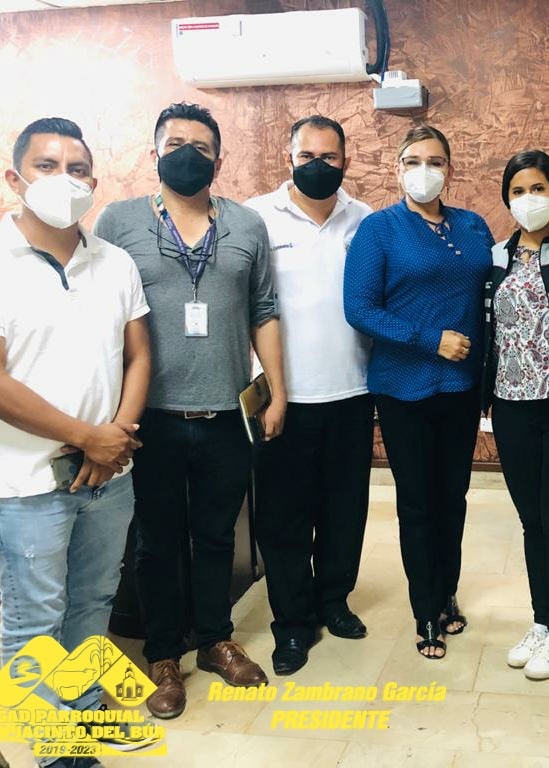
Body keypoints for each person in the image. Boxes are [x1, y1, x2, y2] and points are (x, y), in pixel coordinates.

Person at [0, 117, 151, 768]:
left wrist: (114, 439)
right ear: (16, 178)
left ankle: (84, 712)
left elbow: (139, 355)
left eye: (78, 169)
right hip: (25, 485)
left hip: (108, 478)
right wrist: (87, 437)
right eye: (47, 166)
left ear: (93, 182)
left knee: (92, 604)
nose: (65, 179)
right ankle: (56, 752)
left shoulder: (114, 261)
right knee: (34, 623)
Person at [95, 102, 286, 720]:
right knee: (156, 543)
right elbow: (99, 316)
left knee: (215, 536)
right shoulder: (118, 221)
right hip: (148, 418)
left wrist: (277, 392)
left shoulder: (247, 225)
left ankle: (214, 639)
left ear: (218, 161)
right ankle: (163, 654)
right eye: (175, 143)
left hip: (226, 414)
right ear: (154, 154)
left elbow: (264, 310)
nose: (187, 155)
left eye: (200, 147)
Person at [344, 124, 493, 660]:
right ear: (398, 168)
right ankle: (425, 611)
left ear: (450, 169)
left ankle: (447, 593)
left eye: (435, 161)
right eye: (413, 161)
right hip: (404, 388)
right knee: (418, 503)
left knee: (453, 497)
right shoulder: (379, 229)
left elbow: (490, 296)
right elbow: (359, 309)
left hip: (462, 388)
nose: (424, 170)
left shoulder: (473, 226)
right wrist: (430, 339)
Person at [244, 115, 373, 676]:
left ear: (346, 160)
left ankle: (334, 602)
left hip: (353, 391)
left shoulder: (364, 219)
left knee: (345, 511)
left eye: (329, 157)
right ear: (289, 158)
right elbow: (250, 306)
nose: (317, 165)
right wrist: (267, 390)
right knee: (284, 519)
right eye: (306, 156)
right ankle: (293, 623)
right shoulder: (255, 217)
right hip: (283, 398)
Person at [482, 150, 549, 681]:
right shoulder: (495, 258)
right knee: (531, 524)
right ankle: (541, 621)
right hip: (511, 410)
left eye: (538, 188)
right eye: (518, 191)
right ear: (507, 200)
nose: (529, 199)